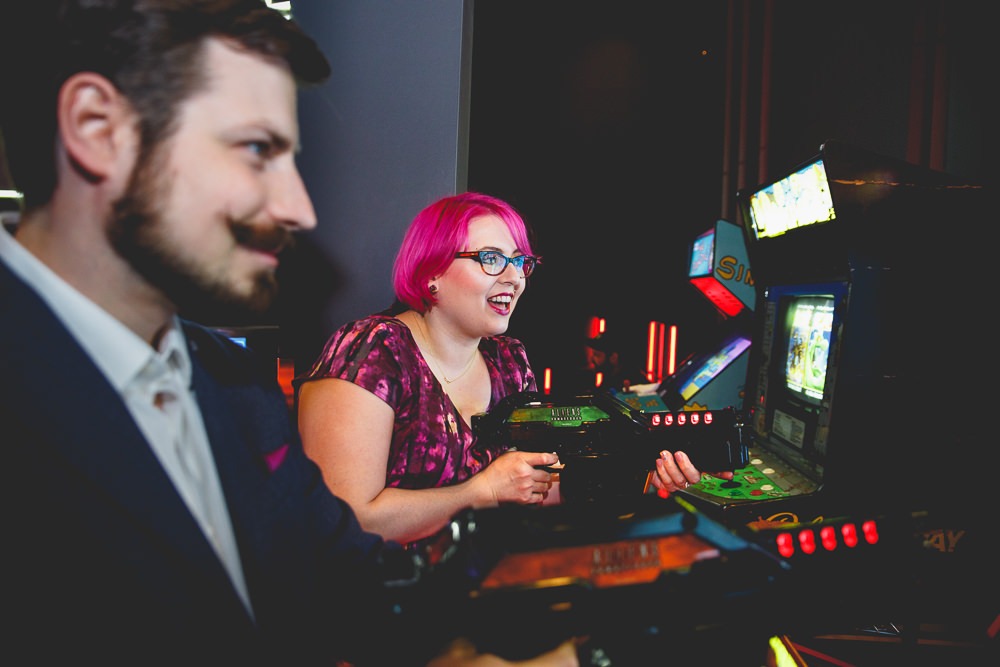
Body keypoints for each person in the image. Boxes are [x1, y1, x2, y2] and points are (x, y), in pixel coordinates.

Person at [0, 2, 576, 665]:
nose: (298, 208)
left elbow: (348, 576)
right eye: (256, 150)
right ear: (96, 129)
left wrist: (496, 648)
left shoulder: (231, 382)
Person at [296, 193, 718, 545]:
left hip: (484, 589)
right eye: (491, 258)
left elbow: (538, 487)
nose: (515, 277)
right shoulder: (373, 350)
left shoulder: (509, 361)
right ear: (432, 273)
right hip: (385, 608)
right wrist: (481, 492)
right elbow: (342, 524)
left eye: (520, 262)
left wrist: (644, 481)